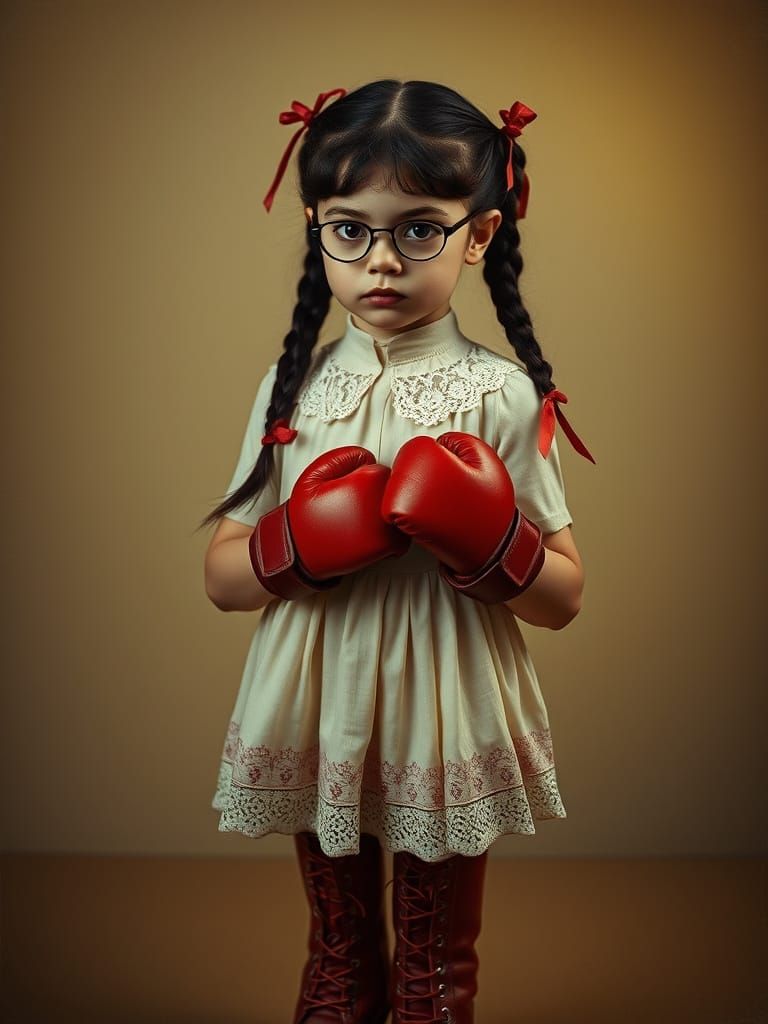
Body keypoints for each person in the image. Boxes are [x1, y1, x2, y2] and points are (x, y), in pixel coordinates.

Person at [200, 79, 594, 1024]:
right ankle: (339, 992)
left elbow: (565, 595)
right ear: (316, 226)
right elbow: (221, 573)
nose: (380, 262)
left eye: (418, 230)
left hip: (444, 682)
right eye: (350, 231)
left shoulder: (500, 393)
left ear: (480, 234)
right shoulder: (293, 384)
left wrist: (489, 539)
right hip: (318, 677)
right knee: (338, 952)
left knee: (431, 968)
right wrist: (293, 544)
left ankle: (430, 1001)